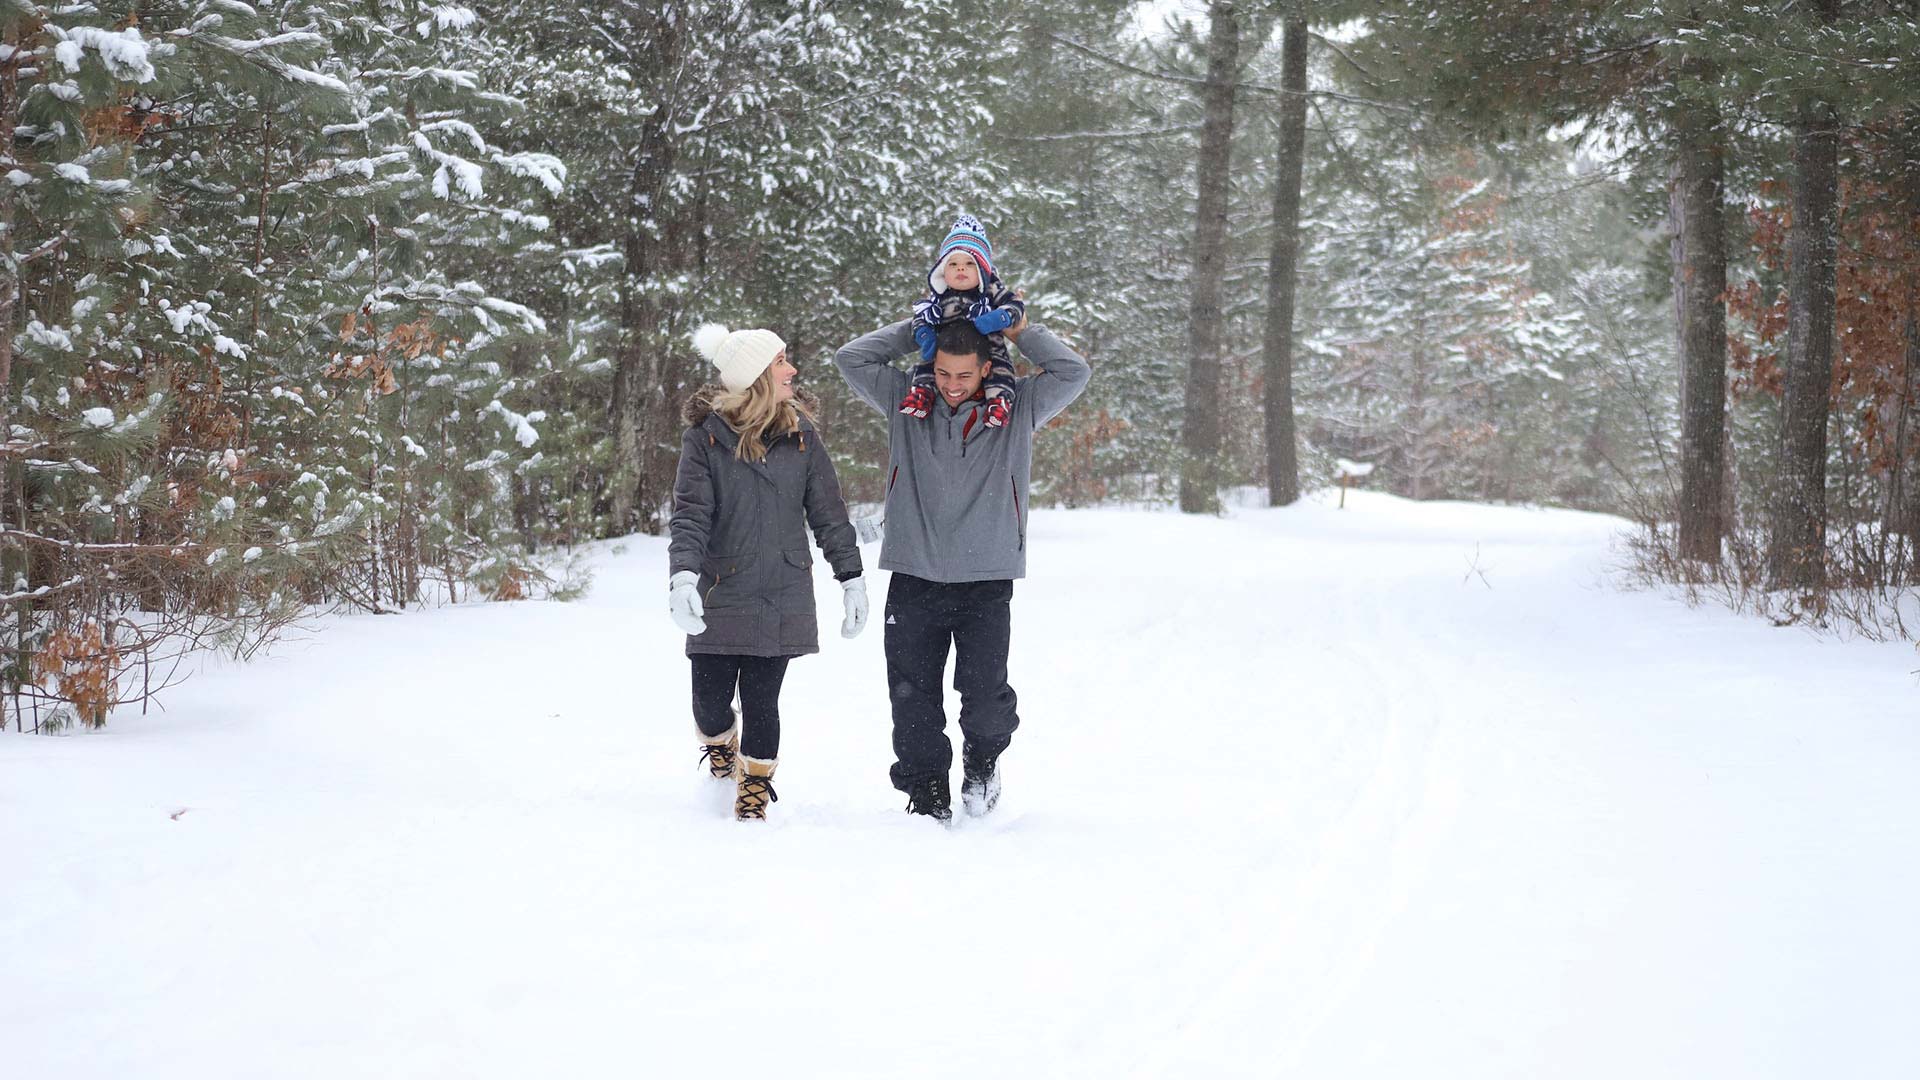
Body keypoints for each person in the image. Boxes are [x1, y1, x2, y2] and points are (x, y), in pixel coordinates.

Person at [834, 305, 1090, 821]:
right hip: (914, 573)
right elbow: (851, 358)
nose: (952, 385)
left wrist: (1018, 331)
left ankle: (983, 763)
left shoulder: (1018, 407)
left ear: (987, 368)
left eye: (965, 374)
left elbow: (1073, 372)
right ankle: (926, 793)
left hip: (986, 578)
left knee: (986, 699)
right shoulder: (906, 402)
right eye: (944, 373)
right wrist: (919, 329)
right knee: (912, 701)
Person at [668, 323, 867, 821]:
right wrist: (683, 577)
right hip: (721, 587)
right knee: (708, 704)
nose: (792, 370)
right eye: (781, 362)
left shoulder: (802, 437)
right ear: (756, 374)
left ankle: (753, 792)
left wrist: (852, 577)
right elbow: (691, 514)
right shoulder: (705, 439)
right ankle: (720, 746)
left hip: (781, 589)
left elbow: (828, 513)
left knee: (763, 700)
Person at [898, 214, 1025, 429]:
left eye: (969, 264)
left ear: (983, 270)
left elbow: (1015, 306)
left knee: (999, 367)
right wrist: (924, 334)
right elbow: (922, 317)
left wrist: (1000, 317)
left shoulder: (990, 291)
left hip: (987, 342)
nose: (960, 269)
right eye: (953, 264)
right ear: (942, 270)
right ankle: (922, 394)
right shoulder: (939, 296)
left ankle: (999, 401)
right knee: (929, 364)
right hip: (944, 344)